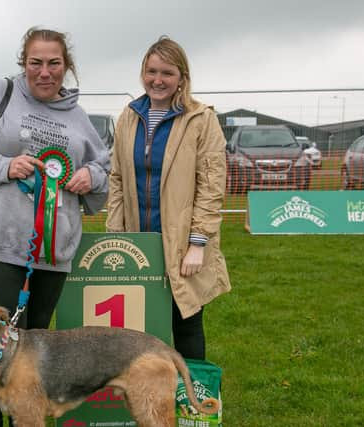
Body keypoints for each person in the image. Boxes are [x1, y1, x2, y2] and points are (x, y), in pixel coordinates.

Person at [0, 27, 110, 427]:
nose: (45, 72)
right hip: (4, 243)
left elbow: (104, 166)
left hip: (54, 249)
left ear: (66, 67)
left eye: (54, 63)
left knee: (34, 344)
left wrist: (90, 176)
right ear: (24, 63)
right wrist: (4, 166)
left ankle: (26, 418)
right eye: (36, 63)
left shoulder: (79, 118)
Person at [106, 36, 231, 361]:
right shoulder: (129, 116)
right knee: (141, 330)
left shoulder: (201, 119)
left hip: (181, 245)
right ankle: (147, 401)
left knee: (186, 324)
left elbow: (211, 186)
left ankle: (194, 405)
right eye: (151, 71)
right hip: (139, 243)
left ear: (181, 78)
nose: (157, 80)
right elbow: (117, 178)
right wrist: (116, 236)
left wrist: (198, 242)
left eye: (167, 73)